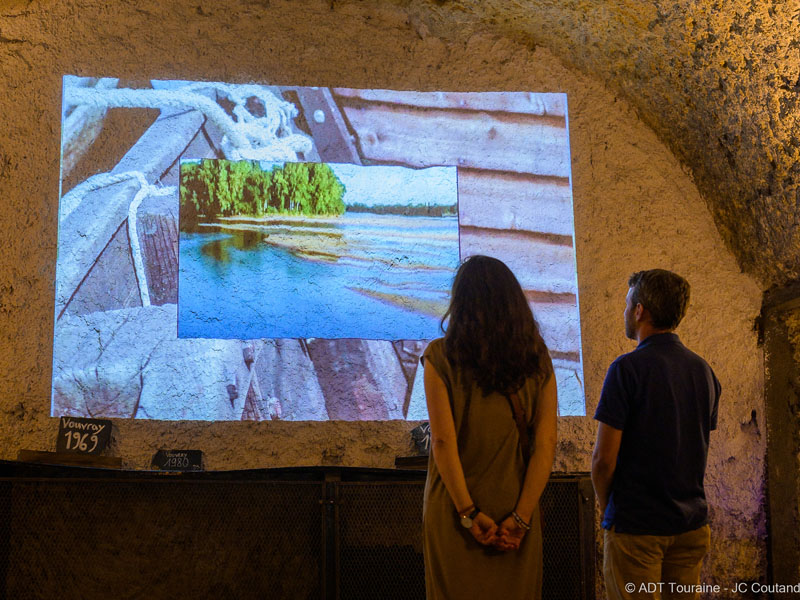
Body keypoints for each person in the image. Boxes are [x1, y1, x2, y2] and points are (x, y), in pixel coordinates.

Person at [421, 255, 558, 599]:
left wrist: (469, 513)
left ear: (461, 303)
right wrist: (521, 518)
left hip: (455, 513)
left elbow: (441, 442)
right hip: (516, 511)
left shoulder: (440, 357)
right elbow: (544, 446)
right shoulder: (538, 359)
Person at [592, 269, 721, 600]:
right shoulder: (703, 370)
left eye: (626, 304)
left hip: (638, 529)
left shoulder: (626, 369)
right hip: (691, 527)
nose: (624, 311)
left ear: (640, 311)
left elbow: (603, 461)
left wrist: (611, 512)